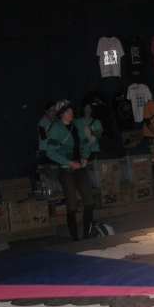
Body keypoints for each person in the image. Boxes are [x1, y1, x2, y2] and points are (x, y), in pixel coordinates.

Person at [47, 100, 94, 241]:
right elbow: (50, 152)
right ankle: (75, 239)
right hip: (66, 170)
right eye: (67, 111)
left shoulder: (77, 124)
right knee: (72, 205)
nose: (70, 113)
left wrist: (85, 157)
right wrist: (68, 162)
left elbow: (86, 143)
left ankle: (86, 235)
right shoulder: (57, 127)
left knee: (89, 202)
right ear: (61, 114)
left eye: (71, 110)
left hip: (79, 167)